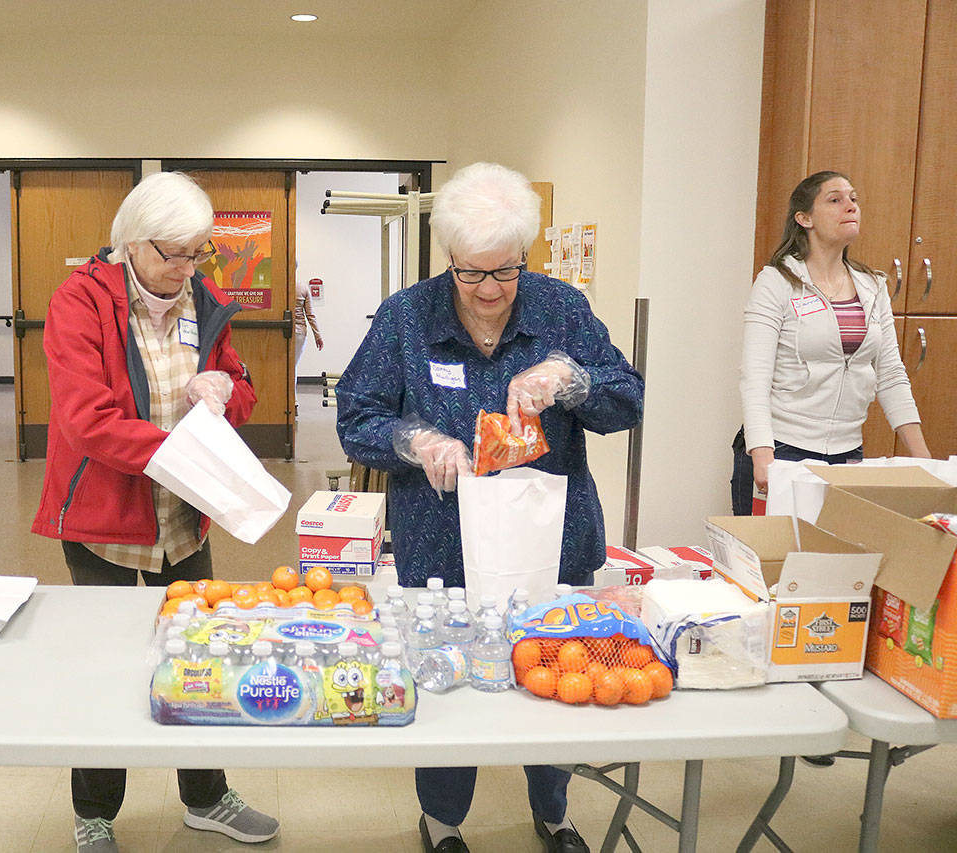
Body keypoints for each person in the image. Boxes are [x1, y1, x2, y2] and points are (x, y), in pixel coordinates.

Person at [335, 162, 643, 853]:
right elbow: (356, 415)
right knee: (446, 693)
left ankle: (556, 812)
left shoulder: (561, 308)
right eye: (471, 274)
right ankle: (443, 822)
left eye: (506, 272)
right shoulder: (406, 316)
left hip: (550, 542)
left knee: (556, 673)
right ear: (448, 260)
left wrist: (571, 379)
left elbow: (627, 399)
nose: (490, 291)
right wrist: (415, 440)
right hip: (440, 547)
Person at [31, 172, 279, 853]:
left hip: (183, 516)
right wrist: (182, 450)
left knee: (195, 654)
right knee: (107, 665)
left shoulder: (204, 299)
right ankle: (95, 812)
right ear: (130, 243)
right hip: (105, 520)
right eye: (171, 253)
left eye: (197, 253)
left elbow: (245, 387)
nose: (184, 268)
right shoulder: (81, 301)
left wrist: (225, 389)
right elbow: (87, 421)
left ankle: (204, 795)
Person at [733, 170, 930, 516]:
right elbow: (755, 378)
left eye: (853, 199)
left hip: (847, 454)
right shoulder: (777, 282)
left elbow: (891, 375)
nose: (850, 206)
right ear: (804, 218)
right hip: (783, 448)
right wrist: (763, 454)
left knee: (838, 565)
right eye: (835, 200)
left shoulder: (872, 285)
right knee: (773, 564)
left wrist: (924, 459)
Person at [294, 278, 324, 399]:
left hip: (282, 330)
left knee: (284, 367)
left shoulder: (280, 287)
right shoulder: (303, 287)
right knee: (293, 366)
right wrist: (318, 335)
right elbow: (310, 315)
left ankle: (288, 400)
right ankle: (293, 401)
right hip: (299, 332)